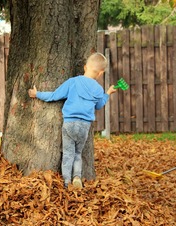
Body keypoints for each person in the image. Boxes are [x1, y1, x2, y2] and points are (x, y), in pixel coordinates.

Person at [28, 52, 117, 189]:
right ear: (100, 73)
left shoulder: (73, 82)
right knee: (77, 153)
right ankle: (77, 177)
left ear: (85, 67)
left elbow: (54, 95)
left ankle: (66, 182)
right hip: (84, 126)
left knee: (68, 153)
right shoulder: (99, 89)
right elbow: (99, 105)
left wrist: (37, 94)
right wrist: (107, 94)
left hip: (70, 124)